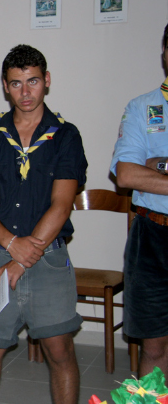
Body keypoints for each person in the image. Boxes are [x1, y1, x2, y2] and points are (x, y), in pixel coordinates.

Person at [0, 44, 87, 404]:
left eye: (32, 81)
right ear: (6, 86)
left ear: (46, 80)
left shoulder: (66, 135)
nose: (25, 92)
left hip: (48, 259)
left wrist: (22, 258)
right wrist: (10, 245)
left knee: (59, 351)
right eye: (16, 83)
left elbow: (61, 205)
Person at [110, 23, 168, 378]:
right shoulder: (142, 107)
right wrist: (146, 168)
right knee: (154, 345)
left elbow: (144, 169)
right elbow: (127, 175)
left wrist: (157, 165)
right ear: (164, 52)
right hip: (151, 237)